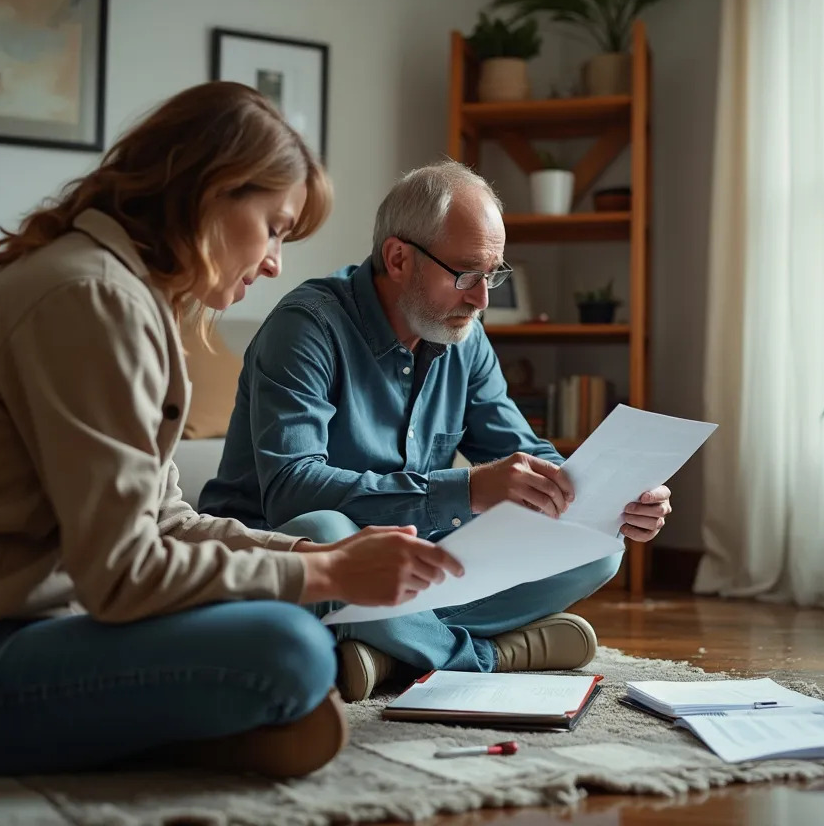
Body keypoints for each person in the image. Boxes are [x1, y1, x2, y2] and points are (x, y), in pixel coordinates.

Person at [0, 83, 462, 779]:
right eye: (276, 226)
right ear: (212, 192)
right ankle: (188, 728)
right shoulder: (93, 299)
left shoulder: (119, 294)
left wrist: (316, 559)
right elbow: (125, 576)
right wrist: (326, 571)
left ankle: (183, 725)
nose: (277, 261)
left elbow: (163, 520)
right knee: (293, 649)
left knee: (304, 588)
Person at [199, 160, 673, 701]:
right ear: (399, 258)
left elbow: (526, 457)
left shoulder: (464, 338)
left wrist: (611, 495)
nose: (482, 299)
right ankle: (483, 655)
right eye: (467, 274)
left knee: (598, 545)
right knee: (329, 533)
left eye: (492, 275)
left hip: (411, 564)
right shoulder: (305, 327)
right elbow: (291, 492)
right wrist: (467, 491)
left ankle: (385, 647)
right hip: (289, 555)